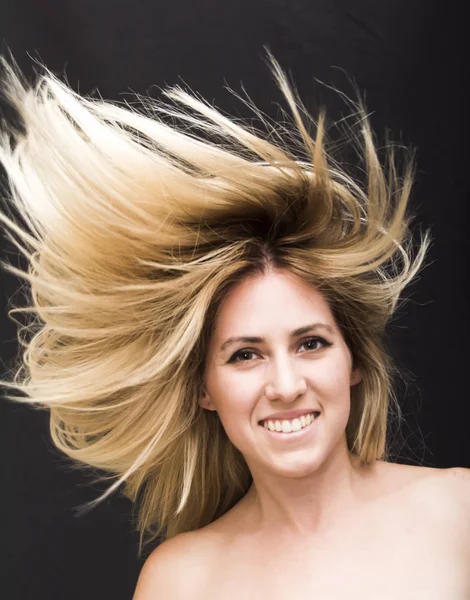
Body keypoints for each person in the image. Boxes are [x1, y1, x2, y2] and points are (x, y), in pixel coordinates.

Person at [0, 50, 468, 598]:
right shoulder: (181, 580)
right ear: (204, 388)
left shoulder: (459, 511)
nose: (287, 385)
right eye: (245, 355)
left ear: (356, 360)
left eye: (311, 343)